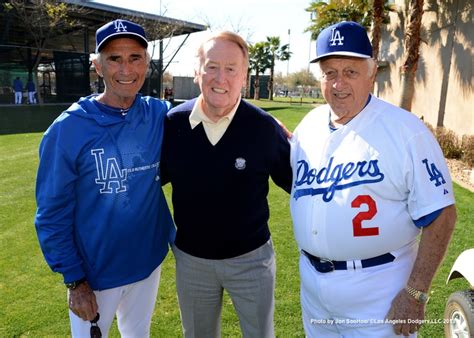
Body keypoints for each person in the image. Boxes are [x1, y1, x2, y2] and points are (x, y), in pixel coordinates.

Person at [290, 21, 456, 337]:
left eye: (350, 72)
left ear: (371, 73)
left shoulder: (406, 132)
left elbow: (442, 216)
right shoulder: (307, 128)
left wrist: (416, 292)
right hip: (313, 291)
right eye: (330, 73)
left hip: (379, 295)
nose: (338, 84)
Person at [34, 19, 175, 337]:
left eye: (135, 57)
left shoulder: (158, 114)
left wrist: (264, 124)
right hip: (94, 277)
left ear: (146, 63)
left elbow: (207, 114)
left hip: (147, 263)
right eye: (114, 58)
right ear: (97, 66)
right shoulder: (67, 129)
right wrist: (74, 279)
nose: (126, 69)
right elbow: (51, 212)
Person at [161, 31, 292, 338]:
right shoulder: (173, 124)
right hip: (192, 262)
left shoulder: (264, 128)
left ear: (244, 76)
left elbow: (300, 184)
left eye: (231, 68)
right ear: (197, 72)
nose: (221, 77)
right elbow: (148, 180)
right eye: (212, 66)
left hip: (252, 261)